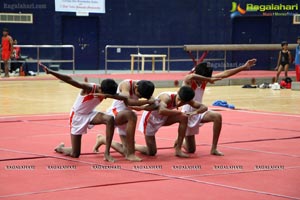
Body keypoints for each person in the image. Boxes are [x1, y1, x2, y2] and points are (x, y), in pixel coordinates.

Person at [39, 63, 126, 162]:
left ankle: (107, 153)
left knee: (110, 119)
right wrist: (51, 72)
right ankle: (61, 148)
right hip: (77, 116)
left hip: (90, 114)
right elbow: (69, 80)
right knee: (75, 154)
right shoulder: (89, 88)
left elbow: (122, 97)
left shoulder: (106, 91)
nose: (106, 97)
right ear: (101, 89)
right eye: (105, 95)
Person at [181, 59, 257, 156]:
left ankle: (214, 148)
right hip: (188, 114)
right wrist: (209, 79)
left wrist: (243, 67)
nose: (206, 79)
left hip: (200, 111)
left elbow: (225, 74)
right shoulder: (189, 81)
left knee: (217, 116)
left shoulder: (204, 80)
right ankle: (180, 140)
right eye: (205, 77)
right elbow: (190, 76)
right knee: (191, 150)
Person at [135, 86, 208, 158]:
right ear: (177, 93)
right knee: (151, 152)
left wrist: (195, 112)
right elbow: (161, 111)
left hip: (165, 117)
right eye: (179, 99)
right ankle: (133, 145)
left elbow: (204, 107)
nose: (179, 103)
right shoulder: (166, 97)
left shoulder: (187, 99)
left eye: (183, 103)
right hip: (151, 120)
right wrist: (179, 112)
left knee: (184, 117)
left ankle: (178, 149)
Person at [94, 79, 156, 162]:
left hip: (127, 118)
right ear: (136, 87)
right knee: (132, 115)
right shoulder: (126, 85)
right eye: (139, 96)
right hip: (116, 113)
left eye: (142, 97)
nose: (140, 98)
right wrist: (147, 101)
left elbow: (153, 104)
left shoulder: (145, 87)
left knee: (127, 151)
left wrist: (149, 103)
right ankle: (131, 154)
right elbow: (129, 102)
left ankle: (102, 139)